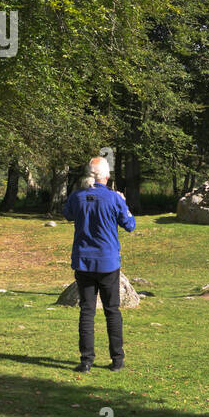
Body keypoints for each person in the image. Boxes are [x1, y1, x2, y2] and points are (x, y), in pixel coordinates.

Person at [61, 156, 136, 371]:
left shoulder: (77, 197)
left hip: (84, 262)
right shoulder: (114, 199)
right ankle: (117, 360)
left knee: (87, 311)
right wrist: (123, 202)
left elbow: (67, 214)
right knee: (112, 310)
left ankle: (86, 361)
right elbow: (130, 225)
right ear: (106, 176)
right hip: (108, 262)